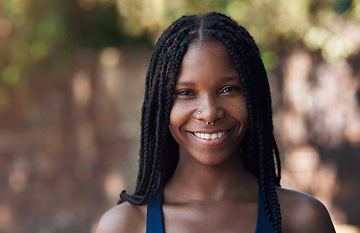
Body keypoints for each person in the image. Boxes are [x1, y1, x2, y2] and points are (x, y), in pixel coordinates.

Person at [95, 12, 336, 233]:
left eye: (228, 89)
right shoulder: (125, 226)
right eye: (186, 93)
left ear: (253, 96)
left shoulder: (301, 219)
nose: (209, 113)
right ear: (161, 105)